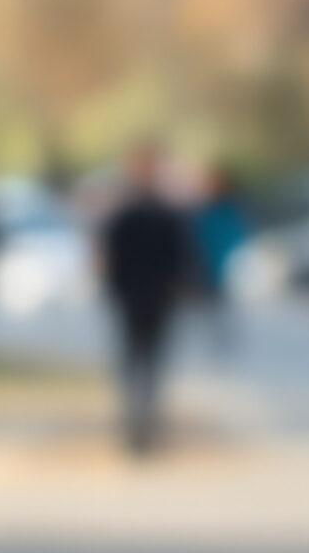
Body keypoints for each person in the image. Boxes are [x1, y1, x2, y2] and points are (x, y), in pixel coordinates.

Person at [96, 144, 196, 457]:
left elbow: (180, 258)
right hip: (137, 296)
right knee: (139, 363)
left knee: (144, 363)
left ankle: (142, 424)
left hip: (151, 297)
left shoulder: (154, 213)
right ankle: (137, 424)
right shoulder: (130, 213)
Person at [188, 163, 251, 355]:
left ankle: (221, 347)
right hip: (205, 266)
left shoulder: (230, 208)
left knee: (220, 311)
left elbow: (238, 236)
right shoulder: (202, 208)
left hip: (222, 265)